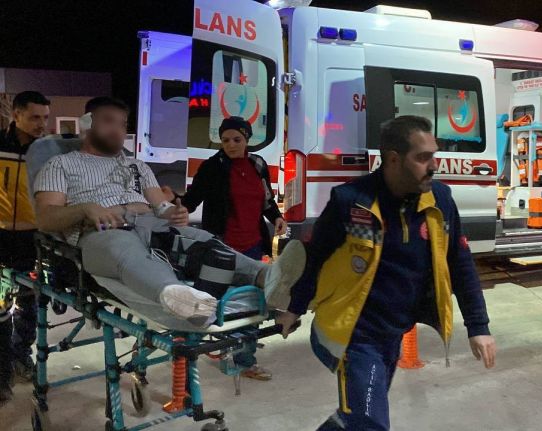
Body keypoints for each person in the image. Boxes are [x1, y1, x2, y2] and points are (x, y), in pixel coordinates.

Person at [277, 116, 497, 430]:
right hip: (353, 333)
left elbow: (460, 263)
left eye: (434, 155)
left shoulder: (439, 201)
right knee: (370, 423)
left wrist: (478, 325)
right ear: (394, 159)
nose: (434, 165)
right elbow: (316, 258)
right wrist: (294, 308)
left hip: (393, 332)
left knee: (356, 417)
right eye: (423, 157)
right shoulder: (352, 201)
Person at [32, 97, 305, 331]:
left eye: (122, 124)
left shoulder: (137, 166)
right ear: (87, 123)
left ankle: (269, 277)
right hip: (101, 233)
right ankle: (178, 296)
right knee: (124, 249)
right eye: (108, 121)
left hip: (150, 225)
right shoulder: (61, 165)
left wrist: (175, 213)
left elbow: (161, 208)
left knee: (203, 240)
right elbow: (46, 219)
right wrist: (85, 208)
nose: (117, 130)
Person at [162, 116, 286, 380]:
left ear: (247, 139)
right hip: (223, 249)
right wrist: (175, 202)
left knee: (252, 304)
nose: (230, 145)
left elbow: (266, 199)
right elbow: (192, 200)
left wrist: (277, 217)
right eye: (225, 140)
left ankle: (244, 359)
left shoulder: (258, 164)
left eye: (236, 139)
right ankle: (230, 354)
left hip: (253, 245)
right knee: (226, 306)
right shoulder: (212, 167)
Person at [0, 91, 51, 405]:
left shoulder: (47, 151)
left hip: (33, 241)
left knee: (29, 304)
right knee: (0, 309)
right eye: (34, 117)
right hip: (0, 237)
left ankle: (21, 357)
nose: (41, 124)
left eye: (45, 117)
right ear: (15, 114)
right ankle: (2, 373)